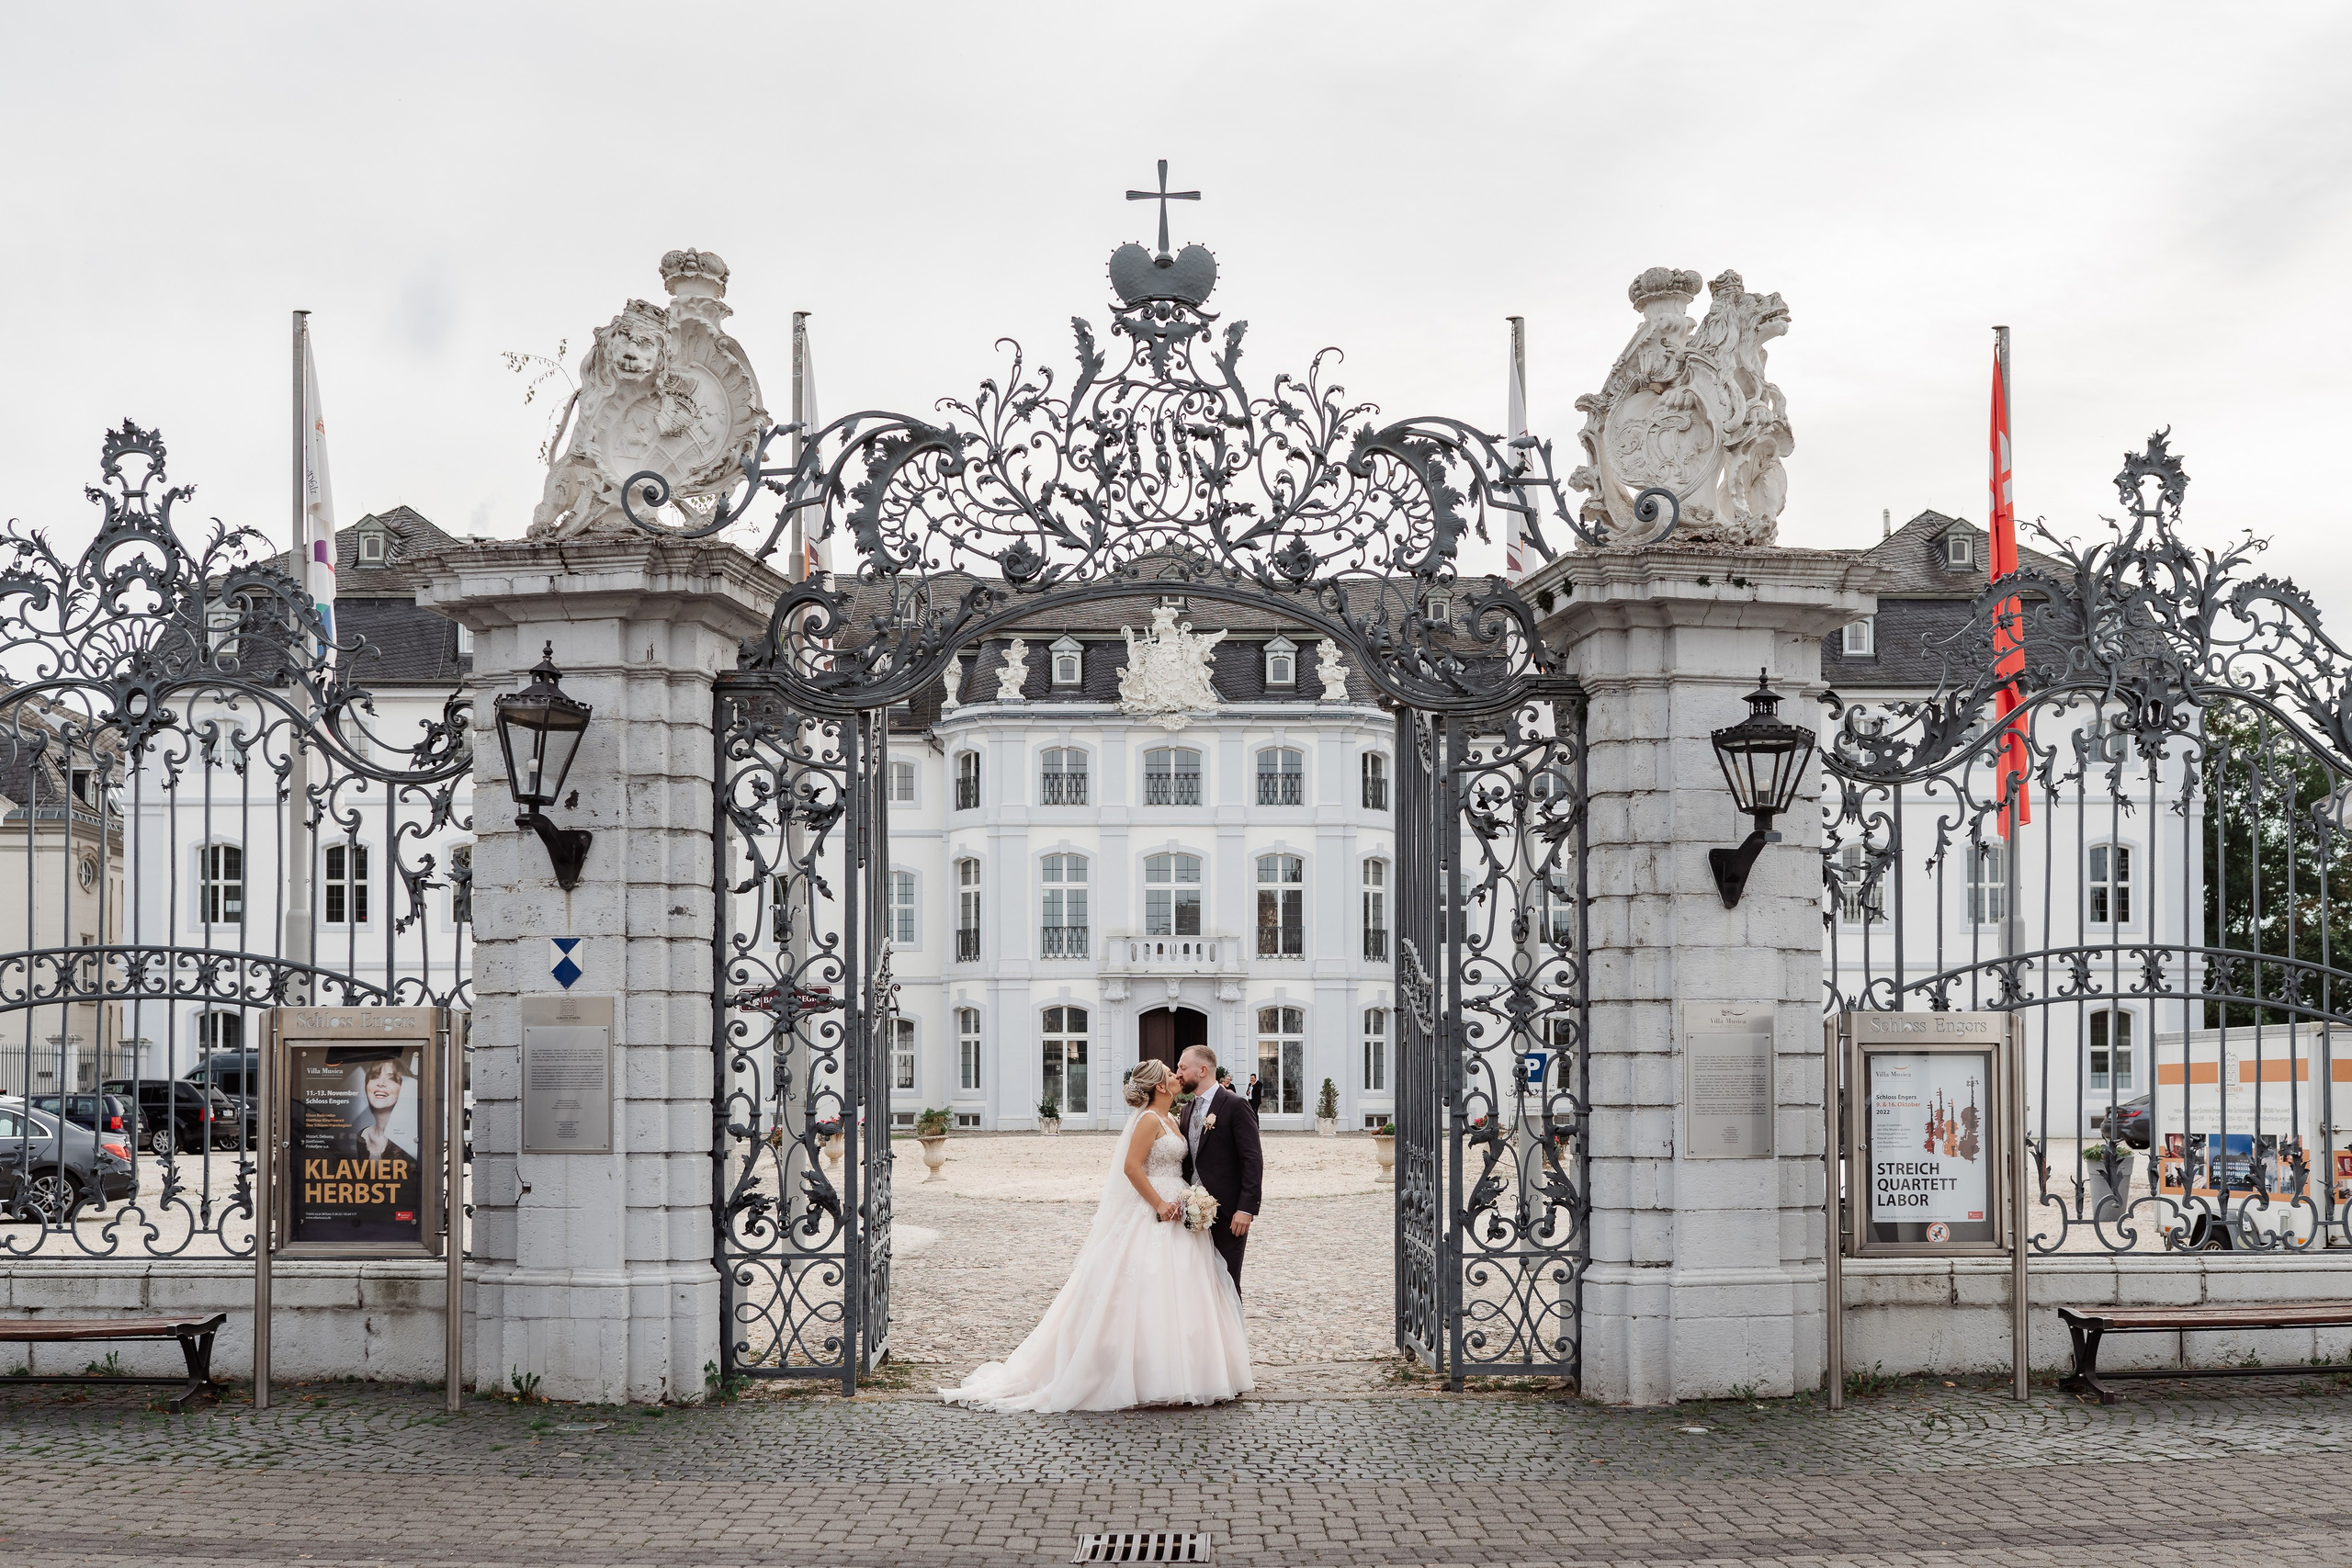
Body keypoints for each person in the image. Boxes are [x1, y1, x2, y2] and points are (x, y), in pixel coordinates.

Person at [940, 1059, 1252, 1413]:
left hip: (1180, 1208)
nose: (1177, 1076)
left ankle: (1188, 1371)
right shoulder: (1150, 1119)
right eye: (1171, 1073)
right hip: (1156, 1210)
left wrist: (1188, 1201)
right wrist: (1160, 1205)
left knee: (1184, 1290)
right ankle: (1140, 1374)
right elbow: (1131, 1168)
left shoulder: (1173, 1118)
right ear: (1161, 1086)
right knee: (1145, 1289)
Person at [1177, 1044, 1263, 1293]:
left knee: (1226, 1284)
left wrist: (1246, 1209)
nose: (1178, 1073)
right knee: (1197, 1285)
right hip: (1191, 1213)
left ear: (1203, 1070)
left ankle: (1233, 1333)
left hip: (1228, 1215)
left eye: (1183, 1067)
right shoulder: (1186, 1110)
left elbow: (1252, 1160)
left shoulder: (1235, 1104)